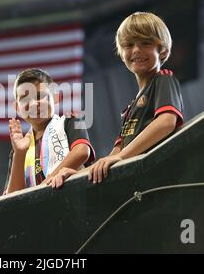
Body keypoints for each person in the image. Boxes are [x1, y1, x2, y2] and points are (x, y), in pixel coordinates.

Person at [59, 11, 184, 186]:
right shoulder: (130, 109)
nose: (136, 50)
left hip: (163, 181)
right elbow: (114, 155)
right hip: (141, 185)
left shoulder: (163, 78)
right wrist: (75, 174)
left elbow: (166, 122)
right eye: (129, 44)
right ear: (121, 52)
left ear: (162, 51)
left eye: (146, 43)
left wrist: (121, 157)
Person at [3, 68, 95, 194]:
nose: (34, 104)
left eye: (40, 96)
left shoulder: (70, 121)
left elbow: (82, 151)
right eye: (25, 99)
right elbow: (12, 197)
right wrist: (19, 153)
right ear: (17, 108)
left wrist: (45, 185)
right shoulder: (19, 150)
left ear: (56, 97)